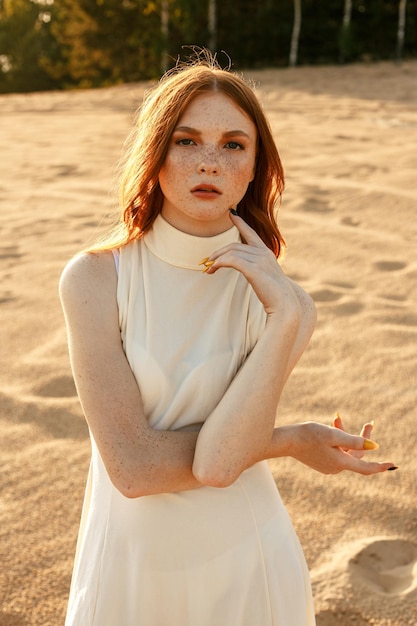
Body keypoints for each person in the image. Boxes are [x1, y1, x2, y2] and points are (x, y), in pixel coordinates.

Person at [59, 50, 395, 626]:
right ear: (156, 155)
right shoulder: (95, 278)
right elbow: (134, 470)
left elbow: (220, 465)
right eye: (186, 141)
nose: (209, 162)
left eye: (233, 145)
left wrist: (286, 316)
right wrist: (288, 439)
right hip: (130, 566)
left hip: (248, 563)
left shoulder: (287, 307)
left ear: (254, 168)